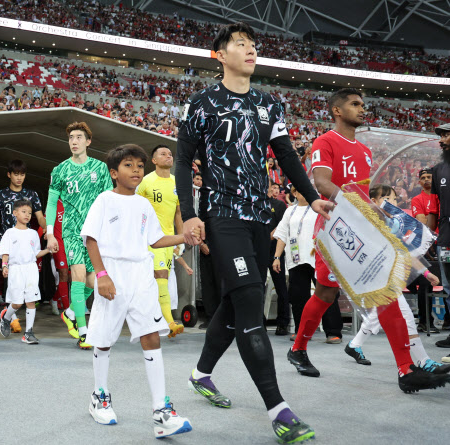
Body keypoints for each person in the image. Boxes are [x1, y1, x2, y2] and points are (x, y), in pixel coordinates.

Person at [176, 23, 332, 444]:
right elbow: (182, 160)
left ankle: (201, 373)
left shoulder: (270, 105)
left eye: (253, 44)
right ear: (220, 55)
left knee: (234, 302)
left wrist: (312, 197)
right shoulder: (201, 103)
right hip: (222, 216)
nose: (250, 49)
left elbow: (285, 157)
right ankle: (279, 410)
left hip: (259, 218)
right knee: (247, 300)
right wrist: (190, 214)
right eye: (240, 44)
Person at [288, 88, 449, 393]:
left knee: (383, 290)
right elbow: (321, 182)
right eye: (355, 104)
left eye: (363, 104)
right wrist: (359, 206)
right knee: (325, 293)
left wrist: (374, 212)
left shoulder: (364, 151)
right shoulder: (325, 141)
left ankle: (406, 370)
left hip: (361, 227)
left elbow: (361, 193)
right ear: (337, 110)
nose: (363, 109)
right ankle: (298, 349)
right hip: (335, 231)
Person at [82, 144, 193, 438]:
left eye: (140, 166)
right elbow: (90, 239)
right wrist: (102, 275)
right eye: (129, 165)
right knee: (104, 340)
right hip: (113, 275)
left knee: (152, 334)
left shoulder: (144, 205)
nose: (136, 171)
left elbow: (155, 240)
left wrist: (185, 236)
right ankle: (99, 396)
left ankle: (161, 411)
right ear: (113, 173)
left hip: (141, 275)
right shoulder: (104, 200)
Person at [345, 184, 448, 373]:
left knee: (382, 316)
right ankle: (422, 362)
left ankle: (354, 345)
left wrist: (426, 273)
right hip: (378, 282)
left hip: (392, 280)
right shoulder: (366, 224)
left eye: (394, 199)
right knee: (405, 317)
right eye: (388, 198)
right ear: (373, 202)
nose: (393, 202)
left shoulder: (394, 225)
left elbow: (406, 253)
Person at [45, 122, 113, 350]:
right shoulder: (60, 170)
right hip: (72, 231)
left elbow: (107, 200)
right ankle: (84, 332)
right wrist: (49, 232)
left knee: (93, 281)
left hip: (95, 233)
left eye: (78, 137)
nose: (73, 141)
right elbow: (52, 203)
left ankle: (71, 312)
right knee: (78, 275)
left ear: (88, 141)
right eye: (71, 137)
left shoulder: (101, 168)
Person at [272, 186, 341, 342]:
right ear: (295, 193)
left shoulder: (320, 206)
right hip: (296, 259)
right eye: (300, 190)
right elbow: (282, 235)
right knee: (298, 297)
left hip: (321, 258)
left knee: (327, 294)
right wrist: (277, 257)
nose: (304, 193)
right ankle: (301, 331)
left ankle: (333, 332)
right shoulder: (289, 211)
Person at [136, 144, 185, 337]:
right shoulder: (146, 182)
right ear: (154, 160)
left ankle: (155, 320)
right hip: (151, 239)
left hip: (169, 239)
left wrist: (180, 241)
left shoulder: (176, 182)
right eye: (163, 154)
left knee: (157, 280)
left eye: (170, 154)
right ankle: (169, 321)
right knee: (161, 276)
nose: (168, 156)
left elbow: (178, 213)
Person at [0, 160, 46, 318]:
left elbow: (40, 217)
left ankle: (15, 314)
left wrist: (49, 230)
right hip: (8, 241)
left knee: (27, 277)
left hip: (26, 241)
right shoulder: (0, 195)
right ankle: (10, 314)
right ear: (9, 175)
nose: (19, 177)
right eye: (16, 174)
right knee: (8, 276)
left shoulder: (32, 195)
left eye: (22, 174)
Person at [0, 200, 52, 344]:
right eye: (23, 212)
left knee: (31, 301)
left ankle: (28, 332)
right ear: (15, 213)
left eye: (29, 213)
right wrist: (4, 266)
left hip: (31, 269)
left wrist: (48, 249)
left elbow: (35, 254)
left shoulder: (33, 233)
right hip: (16, 269)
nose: (27, 215)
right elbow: (5, 253)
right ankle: (6, 317)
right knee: (16, 303)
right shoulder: (9, 233)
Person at [427, 122, 450, 358]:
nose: (441, 139)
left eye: (446, 134)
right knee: (449, 286)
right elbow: (433, 208)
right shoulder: (438, 169)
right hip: (446, 236)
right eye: (441, 135)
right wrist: (427, 240)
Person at [410, 167, 440, 333]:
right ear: (420, 182)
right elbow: (422, 221)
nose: (427, 180)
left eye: (430, 177)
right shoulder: (417, 199)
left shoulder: (441, 197)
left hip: (443, 241)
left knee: (445, 281)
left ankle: (448, 321)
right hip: (425, 244)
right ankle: (424, 321)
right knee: (425, 281)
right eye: (424, 177)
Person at [267, 181, 293, 337]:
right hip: (257, 250)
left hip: (275, 250)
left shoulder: (279, 205)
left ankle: (283, 323)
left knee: (281, 286)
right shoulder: (253, 204)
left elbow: (283, 226)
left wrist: (271, 235)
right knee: (254, 286)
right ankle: (257, 322)